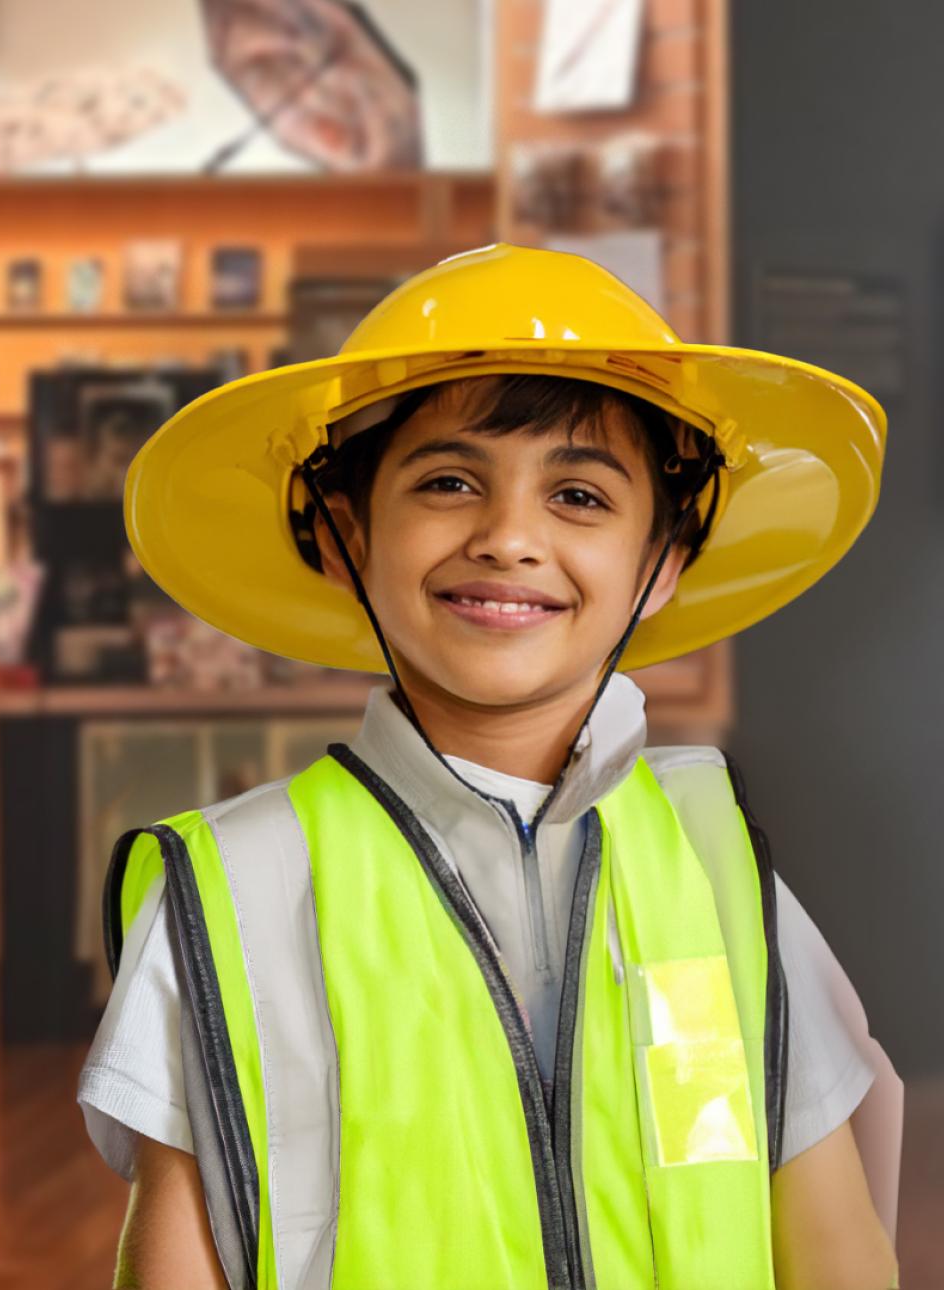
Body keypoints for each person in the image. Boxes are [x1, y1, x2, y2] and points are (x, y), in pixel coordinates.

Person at [78, 243, 902, 1289]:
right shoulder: (229, 890)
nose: (509, 537)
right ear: (342, 536)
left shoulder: (719, 872)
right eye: (449, 481)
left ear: (662, 565)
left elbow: (835, 1251)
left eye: (582, 497)